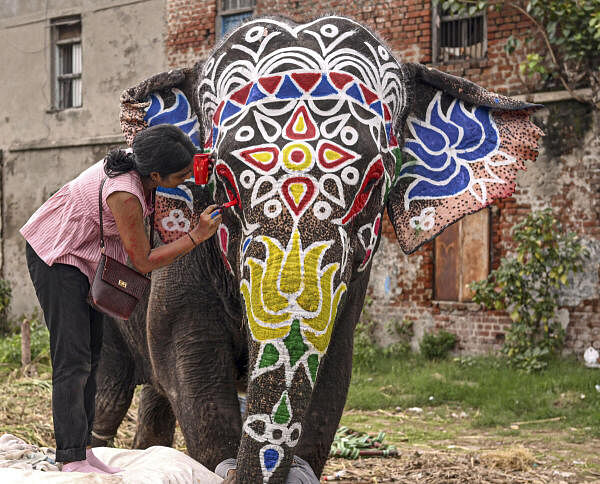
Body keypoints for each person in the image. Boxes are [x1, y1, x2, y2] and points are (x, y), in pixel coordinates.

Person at [20, 124, 221, 474]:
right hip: (57, 252)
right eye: (182, 174)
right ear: (155, 173)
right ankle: (70, 457)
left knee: (92, 355)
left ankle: (82, 448)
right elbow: (142, 261)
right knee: (73, 360)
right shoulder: (125, 193)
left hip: (87, 256)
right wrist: (197, 235)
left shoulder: (141, 161)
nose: (187, 178)